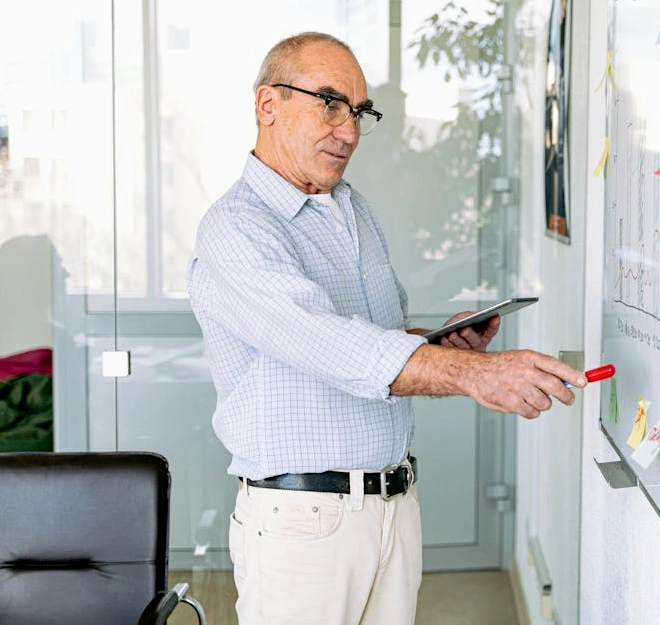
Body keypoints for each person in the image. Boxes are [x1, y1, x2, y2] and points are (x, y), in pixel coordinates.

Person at [187, 31, 587, 625]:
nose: (348, 130)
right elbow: (327, 343)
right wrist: (474, 374)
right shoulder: (236, 229)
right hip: (303, 527)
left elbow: (374, 334)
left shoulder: (352, 208)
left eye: (358, 111)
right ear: (268, 105)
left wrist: (436, 342)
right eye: (329, 103)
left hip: (393, 508)